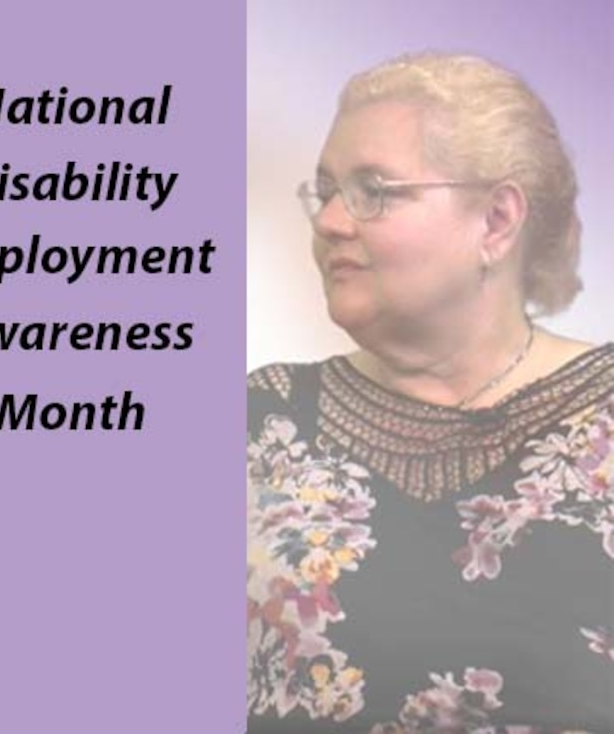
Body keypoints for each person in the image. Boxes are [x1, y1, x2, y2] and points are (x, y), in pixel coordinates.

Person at [246, 53, 612, 733]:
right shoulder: (258, 424)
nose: (328, 221)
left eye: (373, 189)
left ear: (496, 221)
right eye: (324, 190)